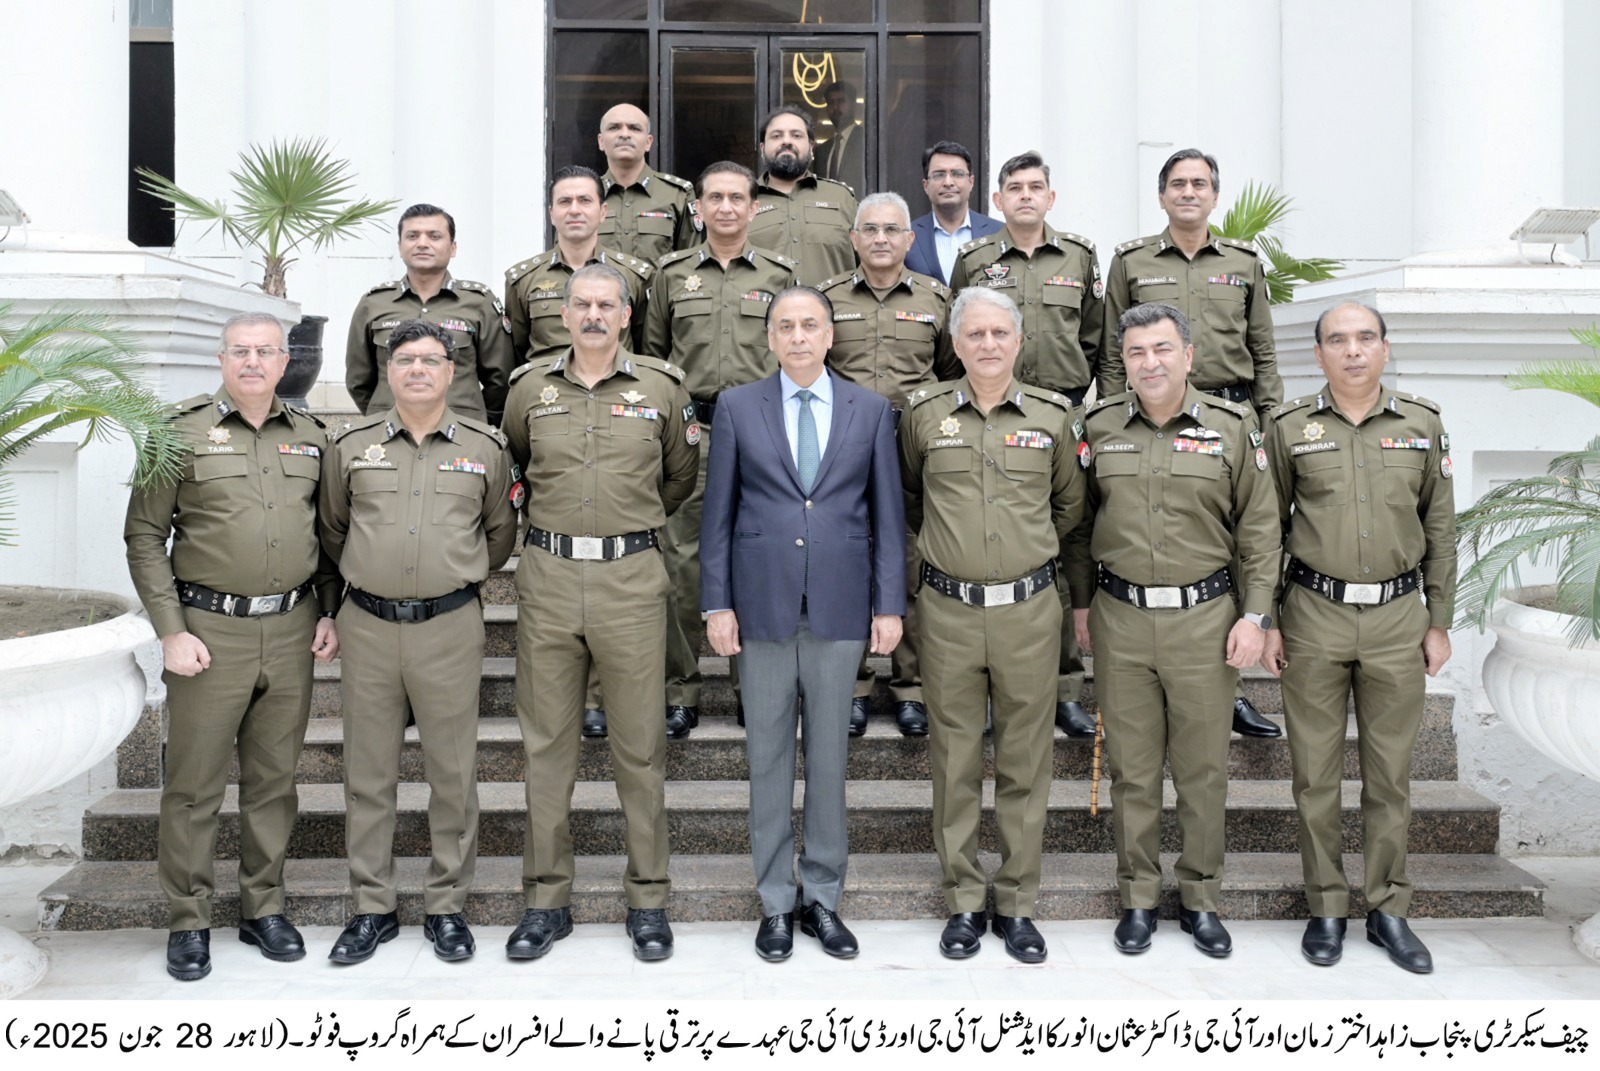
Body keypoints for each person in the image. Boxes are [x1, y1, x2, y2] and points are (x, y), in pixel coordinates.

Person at [124, 312, 341, 981]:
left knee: (274, 783)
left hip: (291, 629)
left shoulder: (312, 436)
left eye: (266, 351)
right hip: (207, 631)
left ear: (284, 361)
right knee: (193, 786)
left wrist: (329, 611)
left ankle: (262, 907)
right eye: (240, 351)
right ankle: (189, 918)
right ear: (221, 359)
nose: (253, 361)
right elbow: (143, 536)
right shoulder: (178, 430)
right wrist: (171, 630)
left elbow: (330, 534)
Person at [701, 286, 905, 962]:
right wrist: (716, 602)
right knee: (767, 755)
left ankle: (822, 895)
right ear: (769, 338)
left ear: (829, 334)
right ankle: (776, 903)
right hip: (759, 606)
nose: (796, 336)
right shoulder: (736, 407)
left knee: (829, 757)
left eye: (809, 324)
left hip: (842, 605)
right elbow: (718, 516)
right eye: (784, 325)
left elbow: (886, 518)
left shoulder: (871, 410)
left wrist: (890, 604)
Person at [500, 264, 698, 963]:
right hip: (550, 576)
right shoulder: (529, 389)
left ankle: (647, 898)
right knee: (546, 747)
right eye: (579, 303)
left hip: (630, 578)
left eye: (604, 304)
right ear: (562, 312)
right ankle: (545, 899)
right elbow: (515, 468)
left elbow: (679, 476)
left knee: (639, 747)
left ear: (625, 313)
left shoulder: (661, 389)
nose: (591, 314)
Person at [1069, 302, 1278, 959]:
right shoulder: (1099, 427)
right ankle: (1137, 896)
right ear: (1123, 362)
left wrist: (1256, 614)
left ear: (1189, 355)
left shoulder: (1232, 427)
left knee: (1202, 769)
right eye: (1135, 352)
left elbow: (1261, 528)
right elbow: (1078, 526)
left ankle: (1199, 898)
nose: (1149, 362)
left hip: (1206, 620)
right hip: (1121, 618)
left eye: (1162, 349)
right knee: (1133, 770)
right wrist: (1081, 608)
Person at [1261, 302, 1457, 974]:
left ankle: (1388, 910)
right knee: (1314, 774)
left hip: (1399, 618)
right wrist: (1269, 618)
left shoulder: (1422, 424)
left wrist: (1439, 620)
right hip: (1314, 613)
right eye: (1337, 340)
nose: (1352, 351)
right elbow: (1267, 528)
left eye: (1364, 338)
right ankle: (1325, 905)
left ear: (1385, 347)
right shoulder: (1289, 428)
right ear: (1317, 354)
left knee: (1389, 775)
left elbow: (1442, 528)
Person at [319, 319, 517, 965]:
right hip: (368, 625)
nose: (417, 371)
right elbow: (331, 529)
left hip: (449, 624)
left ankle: (446, 906)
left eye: (431, 360)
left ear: (452, 371)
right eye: (405, 360)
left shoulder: (486, 447)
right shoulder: (350, 445)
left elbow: (498, 535)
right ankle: (372, 906)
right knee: (367, 774)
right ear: (387, 370)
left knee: (453, 773)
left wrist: (449, 578)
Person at [899, 286, 1085, 964]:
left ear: (1018, 340)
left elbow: (1070, 508)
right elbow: (910, 498)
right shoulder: (922, 414)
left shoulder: (1054, 417)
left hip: (1029, 610)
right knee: (953, 757)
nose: (986, 345)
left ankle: (1017, 901)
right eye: (973, 334)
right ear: (955, 343)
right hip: (946, 609)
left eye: (998, 334)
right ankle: (964, 900)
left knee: (1025, 758)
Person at [1102, 148, 1285, 739]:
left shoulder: (1243, 263)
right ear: (1161, 196)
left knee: (1229, 542)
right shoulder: (1131, 261)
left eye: (1199, 183)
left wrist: (1270, 422)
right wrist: (1113, 413)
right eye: (1177, 184)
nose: (1188, 192)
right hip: (1148, 414)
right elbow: (1113, 351)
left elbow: (1263, 351)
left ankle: (1227, 682)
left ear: (1214, 194)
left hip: (1227, 417)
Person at [950, 149, 1104, 740]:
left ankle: (1064, 686)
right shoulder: (975, 259)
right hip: (992, 411)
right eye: (1014, 188)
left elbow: (1100, 340)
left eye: (1035, 187)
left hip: (1059, 413)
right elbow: (959, 332)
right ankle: (988, 688)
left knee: (1061, 546)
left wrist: (1089, 408)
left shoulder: (1081, 256)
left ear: (1050, 197)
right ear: (997, 201)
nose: (1025, 196)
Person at [645, 161, 797, 738]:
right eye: (716, 198)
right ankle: (681, 689)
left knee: (756, 559)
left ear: (755, 207)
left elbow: (798, 352)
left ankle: (751, 688)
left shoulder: (782, 275)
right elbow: (654, 359)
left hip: (762, 434)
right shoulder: (671, 274)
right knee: (682, 563)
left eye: (738, 197)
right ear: (700, 207)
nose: (727, 207)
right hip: (693, 433)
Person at [818, 191, 957, 736]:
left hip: (912, 448)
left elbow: (949, 373)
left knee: (912, 564)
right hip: (842, 451)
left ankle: (912, 689)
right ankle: (851, 687)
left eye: (891, 230)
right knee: (846, 563)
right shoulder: (827, 299)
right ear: (853, 239)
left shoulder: (936, 299)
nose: (880, 239)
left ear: (909, 238)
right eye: (869, 229)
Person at [347, 203, 515, 423]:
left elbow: (501, 380)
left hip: (462, 433)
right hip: (388, 432)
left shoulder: (479, 303)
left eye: (434, 236)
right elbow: (358, 380)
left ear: (453, 247)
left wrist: (474, 422)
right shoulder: (374, 304)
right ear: (400, 246)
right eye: (413, 236)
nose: (422, 244)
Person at [505, 165, 654, 370]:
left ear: (603, 212)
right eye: (565, 201)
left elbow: (647, 351)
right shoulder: (523, 280)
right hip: (547, 394)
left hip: (614, 393)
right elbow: (516, 355)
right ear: (551, 214)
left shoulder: (634, 276)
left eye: (585, 200)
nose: (574, 210)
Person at [747, 106, 858, 285]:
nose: (786, 142)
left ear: (811, 147)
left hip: (834, 311)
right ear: (762, 148)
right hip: (763, 312)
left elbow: (868, 262)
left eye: (796, 135)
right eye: (776, 136)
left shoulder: (842, 198)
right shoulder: (743, 202)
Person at [595, 102, 699, 263]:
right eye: (614, 127)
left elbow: (690, 265)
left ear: (649, 142)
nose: (624, 134)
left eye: (634, 128)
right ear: (601, 141)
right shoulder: (584, 196)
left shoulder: (677, 194)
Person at [905, 140, 1002, 286]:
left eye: (957, 174)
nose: (948, 182)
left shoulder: (999, 233)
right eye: (939, 175)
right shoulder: (907, 237)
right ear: (926, 185)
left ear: (971, 182)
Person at [815, 81, 865, 195]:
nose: (836, 107)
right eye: (831, 102)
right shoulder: (822, 151)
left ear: (854, 105)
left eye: (841, 101)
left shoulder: (866, 142)